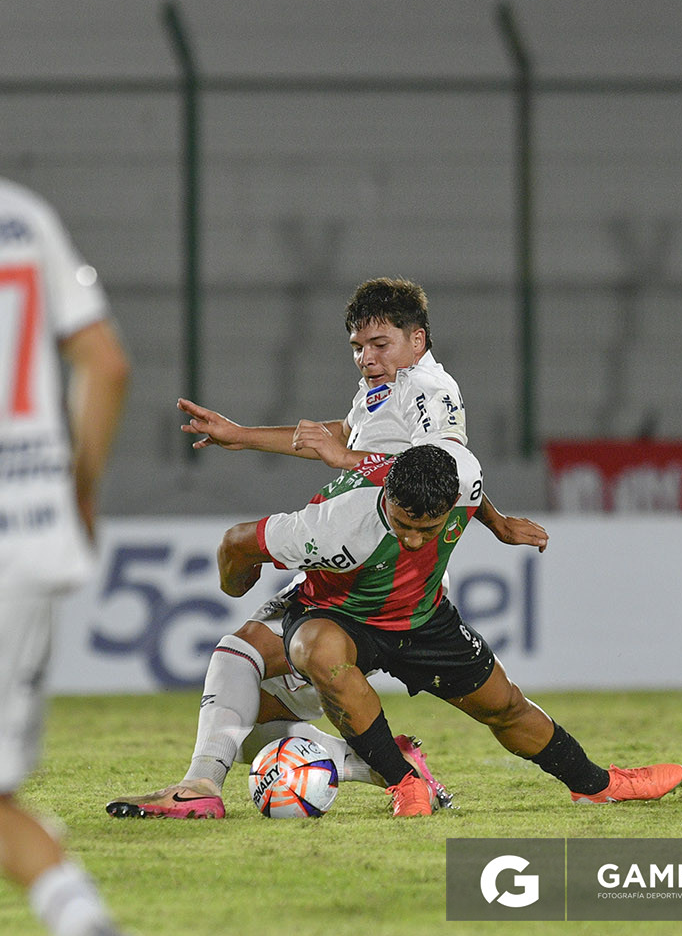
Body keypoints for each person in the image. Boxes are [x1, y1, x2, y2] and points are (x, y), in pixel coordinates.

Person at [107, 277, 549, 820]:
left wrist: (345, 461)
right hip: (364, 566)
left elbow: (442, 468)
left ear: (418, 339)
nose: (366, 358)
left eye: (380, 344)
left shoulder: (429, 390)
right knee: (246, 719)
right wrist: (243, 435)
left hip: (379, 572)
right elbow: (356, 434)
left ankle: (206, 786)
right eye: (358, 348)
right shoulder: (390, 385)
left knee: (241, 654)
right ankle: (381, 765)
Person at [213, 442, 682, 816]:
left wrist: (498, 525)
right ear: (387, 499)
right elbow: (236, 542)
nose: (416, 539)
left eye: (429, 529)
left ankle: (598, 786)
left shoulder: (465, 477)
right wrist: (238, 584)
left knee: (505, 708)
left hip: (423, 619)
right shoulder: (334, 525)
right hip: (337, 616)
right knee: (321, 653)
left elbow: (476, 499)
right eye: (403, 525)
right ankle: (403, 783)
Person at [0, 166, 136, 936]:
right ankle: (89, 935)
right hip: (27, 543)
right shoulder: (19, 213)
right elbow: (105, 363)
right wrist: (75, 493)